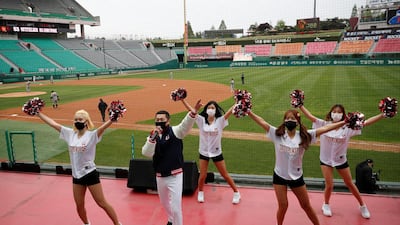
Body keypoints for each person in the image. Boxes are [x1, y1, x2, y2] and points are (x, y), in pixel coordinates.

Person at [248, 109, 348, 225]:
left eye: (292, 118)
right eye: (287, 118)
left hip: (296, 177)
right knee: (283, 206)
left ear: (298, 121)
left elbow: (325, 129)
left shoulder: (305, 136)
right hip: (279, 176)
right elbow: (262, 121)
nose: (289, 120)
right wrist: (249, 112)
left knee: (306, 205)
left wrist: (344, 122)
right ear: (284, 121)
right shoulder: (277, 134)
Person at [36, 110, 122, 225]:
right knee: (79, 206)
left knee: (101, 202)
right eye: (76, 119)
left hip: (90, 173)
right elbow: (53, 124)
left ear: (86, 122)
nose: (77, 121)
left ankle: (117, 223)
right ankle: (86, 223)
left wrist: (112, 119)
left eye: (80, 119)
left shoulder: (92, 135)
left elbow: (102, 128)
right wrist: (38, 113)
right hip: (77, 176)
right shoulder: (70, 134)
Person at [299, 104, 385, 219]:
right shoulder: (324, 124)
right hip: (325, 160)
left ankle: (362, 205)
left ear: (343, 114)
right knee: (329, 185)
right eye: (334, 111)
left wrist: (383, 115)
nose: (336, 114)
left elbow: (366, 123)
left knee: (349, 183)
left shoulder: (348, 127)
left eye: (339, 112)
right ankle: (326, 204)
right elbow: (310, 116)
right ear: (330, 113)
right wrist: (300, 105)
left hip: (340, 160)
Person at [142, 99, 202, 225]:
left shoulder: (175, 131)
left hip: (175, 175)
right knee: (165, 204)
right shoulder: (153, 136)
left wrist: (194, 112)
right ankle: (170, 220)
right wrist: (152, 139)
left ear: (168, 121)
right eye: (157, 120)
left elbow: (185, 125)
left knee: (176, 208)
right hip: (160, 176)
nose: (159, 122)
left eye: (161, 119)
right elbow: (147, 153)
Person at [181, 99, 240, 204]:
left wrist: (237, 102)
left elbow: (230, 112)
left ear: (216, 110)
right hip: (204, 152)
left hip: (216, 152)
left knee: (224, 174)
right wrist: (182, 100)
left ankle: (236, 192)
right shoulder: (201, 120)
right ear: (206, 109)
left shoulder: (220, 121)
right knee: (202, 175)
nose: (210, 109)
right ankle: (200, 192)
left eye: (213, 108)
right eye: (209, 107)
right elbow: (191, 110)